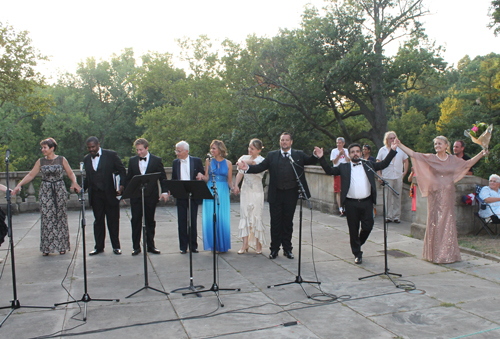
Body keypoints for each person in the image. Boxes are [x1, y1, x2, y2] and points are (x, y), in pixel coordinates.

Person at [395, 136, 486, 264]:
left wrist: (482, 153)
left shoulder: (453, 159)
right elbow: (414, 154)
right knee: (435, 221)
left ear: (445, 146)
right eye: (435, 144)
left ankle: (448, 254)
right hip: (435, 194)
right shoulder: (431, 158)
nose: (437, 145)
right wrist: (400, 144)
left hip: (448, 194)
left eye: (439, 143)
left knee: (447, 220)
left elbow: (468, 163)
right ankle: (434, 254)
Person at [237, 132, 317, 260]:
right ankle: (274, 249)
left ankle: (287, 249)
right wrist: (247, 168)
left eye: (286, 140)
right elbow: (260, 167)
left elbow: (310, 160)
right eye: (282, 140)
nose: (284, 142)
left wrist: (316, 155)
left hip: (291, 193)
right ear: (280, 142)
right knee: (275, 223)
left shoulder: (298, 155)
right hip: (276, 194)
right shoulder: (272, 155)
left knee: (287, 222)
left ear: (291, 142)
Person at [314, 142, 397, 264]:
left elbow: (383, 164)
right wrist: (321, 158)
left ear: (361, 153)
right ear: (349, 154)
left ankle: (357, 242)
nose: (355, 154)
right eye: (352, 152)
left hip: (367, 202)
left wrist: (393, 151)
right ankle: (357, 253)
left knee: (368, 226)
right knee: (353, 229)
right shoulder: (344, 167)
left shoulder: (368, 165)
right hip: (351, 203)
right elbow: (329, 170)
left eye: (357, 151)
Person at [12, 138, 81, 256]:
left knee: (60, 217)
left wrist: (74, 182)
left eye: (45, 147)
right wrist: (19, 185)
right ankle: (47, 247)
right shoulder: (40, 162)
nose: (42, 150)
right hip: (46, 190)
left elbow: (70, 173)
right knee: (46, 218)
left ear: (52, 148)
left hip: (59, 189)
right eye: (42, 147)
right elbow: (31, 174)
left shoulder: (61, 159)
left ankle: (62, 246)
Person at [124, 138, 169, 256]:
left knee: (150, 221)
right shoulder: (132, 160)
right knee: (136, 220)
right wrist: (125, 193)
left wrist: (164, 191)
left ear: (147, 148)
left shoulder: (156, 160)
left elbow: (162, 177)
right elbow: (129, 178)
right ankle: (136, 247)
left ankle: (151, 245)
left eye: (141, 150)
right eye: (137, 150)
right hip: (136, 196)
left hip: (151, 195)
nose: (139, 152)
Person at [83, 136, 126, 256]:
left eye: (93, 147)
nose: (91, 149)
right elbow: (88, 177)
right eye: (89, 147)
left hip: (110, 194)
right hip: (95, 195)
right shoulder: (86, 159)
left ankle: (116, 246)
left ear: (98, 145)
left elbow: (122, 170)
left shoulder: (111, 155)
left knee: (113, 221)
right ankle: (99, 247)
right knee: (98, 222)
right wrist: (82, 188)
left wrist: (121, 186)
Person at [233, 139, 266, 254]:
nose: (249, 150)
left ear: (259, 150)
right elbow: (240, 173)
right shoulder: (243, 157)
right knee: (245, 215)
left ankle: (258, 245)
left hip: (257, 191)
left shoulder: (262, 160)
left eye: (252, 148)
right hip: (246, 190)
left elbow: (255, 164)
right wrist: (236, 185)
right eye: (249, 147)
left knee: (257, 216)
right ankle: (244, 244)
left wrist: (245, 162)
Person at [171, 140, 205, 254]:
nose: (177, 153)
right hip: (180, 195)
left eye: (179, 151)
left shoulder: (196, 161)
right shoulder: (175, 162)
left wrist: (201, 175)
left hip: (193, 194)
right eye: (176, 150)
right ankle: (183, 246)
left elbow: (202, 174)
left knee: (193, 220)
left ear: (186, 151)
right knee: (181, 221)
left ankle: (193, 245)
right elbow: (174, 178)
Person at [201, 140, 233, 253]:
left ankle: (222, 245)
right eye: (211, 148)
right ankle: (214, 245)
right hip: (210, 189)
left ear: (220, 149)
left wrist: (234, 188)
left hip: (223, 191)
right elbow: (206, 178)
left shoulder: (228, 163)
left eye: (214, 148)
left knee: (222, 217)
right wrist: (201, 177)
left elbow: (229, 181)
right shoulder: (208, 161)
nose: (212, 150)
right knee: (211, 217)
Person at [376, 131, 408, 223]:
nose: (393, 139)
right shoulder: (383, 150)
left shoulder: (400, 149)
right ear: (387, 140)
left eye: (394, 137)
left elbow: (406, 160)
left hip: (398, 175)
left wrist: (404, 172)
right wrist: (380, 175)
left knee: (398, 196)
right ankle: (388, 216)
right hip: (387, 175)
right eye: (391, 138)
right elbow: (378, 162)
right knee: (388, 197)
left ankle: (396, 216)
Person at [330, 137, 350, 217]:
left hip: (345, 172)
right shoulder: (334, 151)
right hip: (337, 172)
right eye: (337, 143)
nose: (338, 144)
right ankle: (340, 208)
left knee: (346, 190)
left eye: (340, 143)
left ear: (343, 143)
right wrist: (339, 155)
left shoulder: (347, 150)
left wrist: (344, 154)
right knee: (338, 191)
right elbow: (334, 161)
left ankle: (346, 208)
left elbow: (349, 160)